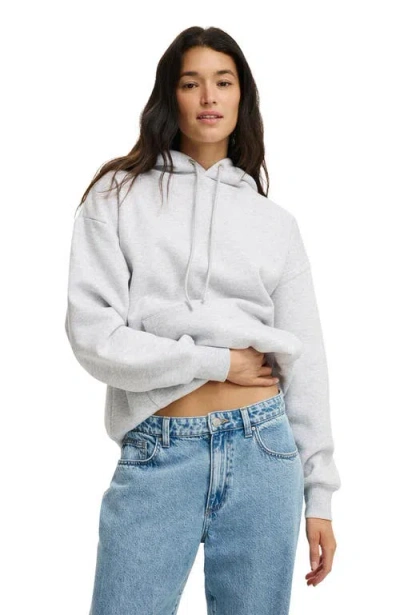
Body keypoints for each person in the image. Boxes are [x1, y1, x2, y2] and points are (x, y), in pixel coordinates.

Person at [65, 25, 341, 615]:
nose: (209, 97)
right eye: (191, 83)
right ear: (170, 95)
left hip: (264, 451)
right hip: (158, 450)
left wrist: (320, 495)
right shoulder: (116, 197)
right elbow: (95, 338)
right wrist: (219, 362)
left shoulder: (275, 224)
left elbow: (307, 359)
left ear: (243, 97)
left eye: (224, 82)